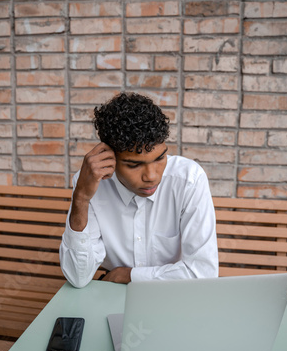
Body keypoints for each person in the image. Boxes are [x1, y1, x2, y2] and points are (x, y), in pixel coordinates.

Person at [60, 92, 218, 287]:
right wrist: (81, 198)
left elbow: (203, 273)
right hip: (115, 297)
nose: (151, 176)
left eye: (160, 158)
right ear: (110, 158)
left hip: (175, 294)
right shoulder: (91, 183)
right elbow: (78, 277)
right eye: (134, 165)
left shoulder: (188, 181)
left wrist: (128, 275)